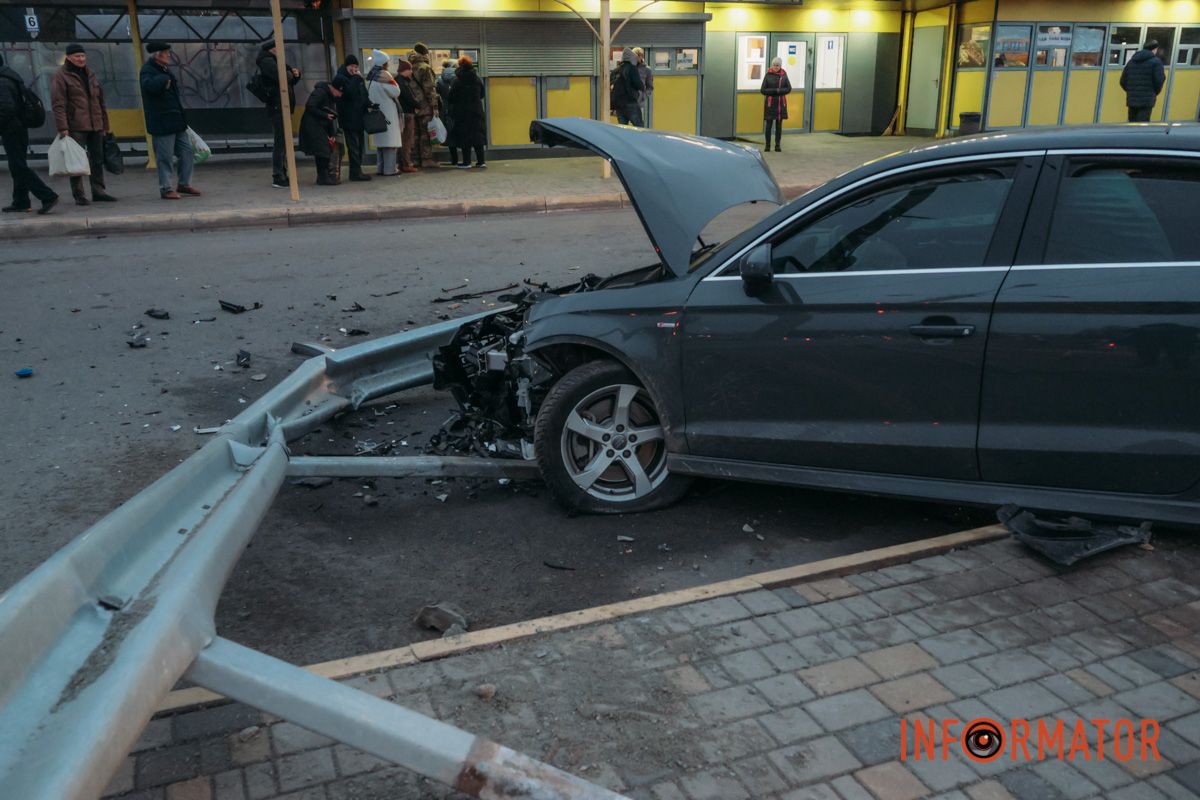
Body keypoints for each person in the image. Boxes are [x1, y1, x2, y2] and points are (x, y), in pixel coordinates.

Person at [50, 43, 116, 205]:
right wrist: (63, 127)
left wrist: (104, 124)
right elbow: (58, 103)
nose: (81, 59)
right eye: (77, 56)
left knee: (97, 158)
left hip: (96, 124)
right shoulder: (61, 76)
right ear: (69, 58)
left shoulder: (90, 74)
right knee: (76, 161)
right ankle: (79, 194)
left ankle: (98, 191)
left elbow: (100, 101)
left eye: (83, 56)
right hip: (75, 125)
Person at [139, 41, 199, 200]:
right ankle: (165, 188)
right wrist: (163, 79)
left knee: (187, 152)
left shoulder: (164, 70)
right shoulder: (148, 71)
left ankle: (184, 183)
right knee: (164, 157)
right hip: (161, 122)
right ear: (157, 55)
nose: (169, 56)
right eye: (166, 53)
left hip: (176, 121)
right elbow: (149, 87)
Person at [0, 53, 58, 214]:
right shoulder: (10, 76)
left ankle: (47, 196)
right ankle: (21, 201)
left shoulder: (2, 81)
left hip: (12, 129)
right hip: (18, 128)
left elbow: (7, 108)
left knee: (18, 166)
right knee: (16, 164)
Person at [255, 40, 301, 188]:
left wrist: (295, 75)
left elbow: (290, 79)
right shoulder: (267, 61)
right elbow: (282, 77)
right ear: (272, 49)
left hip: (281, 106)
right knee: (281, 141)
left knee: (284, 141)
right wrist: (290, 74)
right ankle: (278, 175)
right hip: (277, 106)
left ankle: (283, 173)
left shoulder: (274, 61)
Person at [300, 75, 344, 186]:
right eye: (339, 92)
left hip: (319, 125)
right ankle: (323, 177)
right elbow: (310, 105)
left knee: (323, 151)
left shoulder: (328, 95)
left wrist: (331, 133)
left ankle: (323, 176)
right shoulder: (321, 92)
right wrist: (324, 115)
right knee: (323, 150)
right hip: (313, 125)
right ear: (334, 88)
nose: (340, 95)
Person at [446, 55, 486, 169]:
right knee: (478, 135)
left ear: (460, 66)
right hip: (477, 111)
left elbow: (450, 97)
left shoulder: (457, 80)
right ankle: (481, 161)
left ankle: (467, 162)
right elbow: (482, 94)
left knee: (465, 137)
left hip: (462, 112)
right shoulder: (477, 78)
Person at [334, 55, 370, 181]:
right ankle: (355, 173)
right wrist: (356, 78)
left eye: (356, 67)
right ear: (346, 66)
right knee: (353, 147)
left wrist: (369, 104)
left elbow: (363, 94)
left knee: (360, 147)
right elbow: (348, 93)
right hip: (348, 119)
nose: (354, 69)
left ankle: (357, 170)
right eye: (352, 67)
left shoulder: (357, 79)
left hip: (359, 118)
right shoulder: (340, 78)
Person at [366, 50, 402, 176]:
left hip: (377, 113)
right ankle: (390, 169)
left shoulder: (371, 75)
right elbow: (395, 92)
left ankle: (380, 168)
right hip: (388, 113)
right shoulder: (384, 75)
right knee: (390, 143)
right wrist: (393, 82)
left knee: (381, 144)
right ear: (384, 63)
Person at [406, 43, 440, 167]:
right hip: (425, 106)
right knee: (426, 133)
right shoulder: (425, 68)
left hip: (412, 106)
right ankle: (426, 159)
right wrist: (434, 106)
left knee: (414, 134)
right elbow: (430, 88)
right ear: (425, 54)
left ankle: (415, 159)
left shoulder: (408, 67)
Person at [1121, 40, 1166, 122]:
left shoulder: (1132, 61)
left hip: (1132, 99)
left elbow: (1123, 81)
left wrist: (1132, 91)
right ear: (1155, 49)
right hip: (1147, 100)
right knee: (1142, 126)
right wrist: (1154, 92)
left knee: (1132, 124)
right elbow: (1159, 80)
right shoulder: (1156, 62)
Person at [394, 58, 422, 174]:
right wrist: (417, 105)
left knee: (403, 139)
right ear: (404, 70)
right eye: (409, 69)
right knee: (407, 140)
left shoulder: (398, 80)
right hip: (407, 113)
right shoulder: (402, 82)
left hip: (403, 113)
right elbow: (408, 97)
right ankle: (406, 164)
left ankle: (403, 163)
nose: (411, 72)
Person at [760, 56, 791, 153]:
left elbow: (789, 88)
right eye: (774, 65)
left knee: (779, 126)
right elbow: (763, 90)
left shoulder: (784, 75)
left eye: (777, 65)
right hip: (770, 104)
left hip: (780, 104)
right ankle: (767, 146)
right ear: (772, 65)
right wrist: (776, 91)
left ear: (780, 65)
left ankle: (778, 145)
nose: (775, 67)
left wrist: (779, 91)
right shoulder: (768, 75)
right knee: (768, 125)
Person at [610, 47, 644, 127]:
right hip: (630, 102)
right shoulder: (632, 68)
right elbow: (639, 85)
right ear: (632, 58)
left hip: (618, 105)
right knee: (639, 128)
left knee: (623, 128)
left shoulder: (615, 70)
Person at [633, 47, 653, 127]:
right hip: (627, 102)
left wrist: (643, 97)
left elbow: (650, 87)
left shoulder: (647, 69)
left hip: (639, 104)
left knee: (639, 127)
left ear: (641, 56)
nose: (636, 57)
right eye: (634, 55)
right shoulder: (629, 67)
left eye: (638, 55)